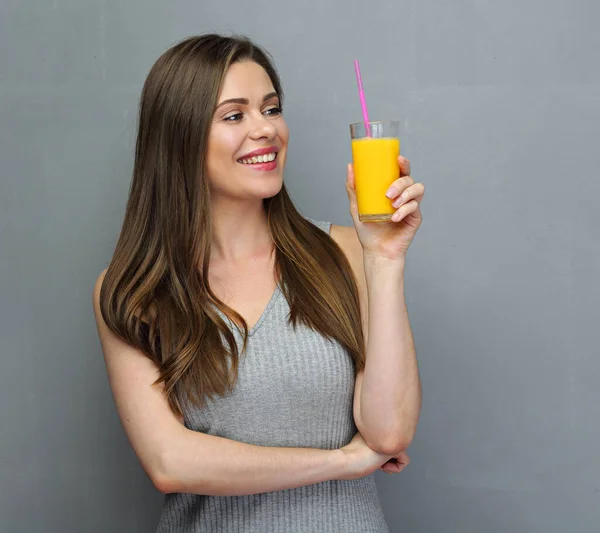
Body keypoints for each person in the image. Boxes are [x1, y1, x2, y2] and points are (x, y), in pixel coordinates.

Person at [92, 33, 425, 533]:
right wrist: (343, 462)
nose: (265, 130)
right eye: (234, 115)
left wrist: (384, 257)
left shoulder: (345, 252)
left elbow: (390, 432)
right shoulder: (134, 291)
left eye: (271, 109)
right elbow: (170, 462)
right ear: (180, 137)